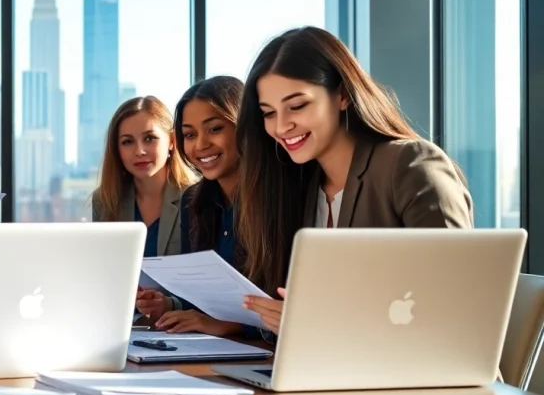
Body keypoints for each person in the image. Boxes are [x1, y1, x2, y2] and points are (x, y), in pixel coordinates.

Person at [237, 26, 473, 334]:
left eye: (297, 106)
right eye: (268, 113)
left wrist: (314, 323)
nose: (281, 126)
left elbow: (457, 300)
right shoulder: (301, 187)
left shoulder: (410, 164)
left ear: (343, 95)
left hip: (431, 374)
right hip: (332, 371)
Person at [143, 77, 250, 337]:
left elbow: (284, 302)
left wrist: (227, 326)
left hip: (266, 351)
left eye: (214, 129)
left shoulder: (279, 198)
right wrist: (166, 307)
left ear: (244, 126)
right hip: (208, 345)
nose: (200, 145)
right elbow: (198, 300)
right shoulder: (193, 201)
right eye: (190, 135)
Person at [90, 96, 197, 257]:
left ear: (172, 141)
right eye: (127, 142)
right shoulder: (105, 200)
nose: (139, 151)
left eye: (150, 138)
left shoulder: (195, 197)